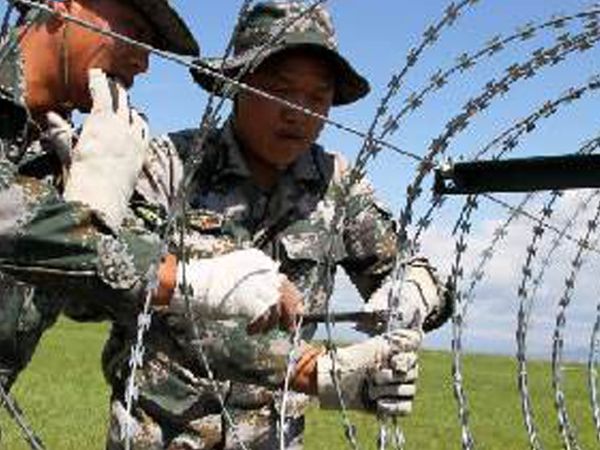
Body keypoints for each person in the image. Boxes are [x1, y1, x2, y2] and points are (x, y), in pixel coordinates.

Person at [102, 2, 451, 448]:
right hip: (158, 435)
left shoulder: (337, 187)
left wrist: (415, 292)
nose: (299, 112)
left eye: (317, 96)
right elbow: (109, 276)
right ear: (239, 83)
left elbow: (412, 277)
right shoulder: (171, 165)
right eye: (280, 91)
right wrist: (318, 371)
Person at [0, 0, 299, 408]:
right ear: (59, 5)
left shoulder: (61, 150)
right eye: (133, 32)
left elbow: (99, 291)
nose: (144, 63)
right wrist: (192, 280)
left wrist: (95, 213)